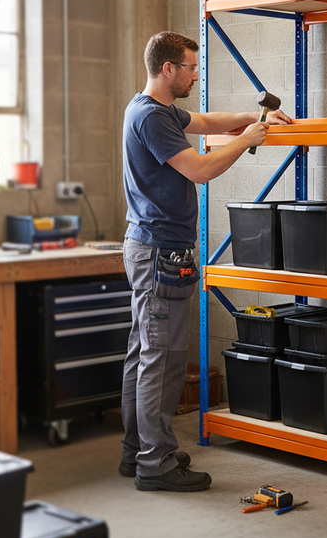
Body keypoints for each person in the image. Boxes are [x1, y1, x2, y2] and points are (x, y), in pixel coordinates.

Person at [120, 31, 293, 492]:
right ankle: (154, 464)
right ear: (167, 70)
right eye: (191, 68)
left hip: (150, 246)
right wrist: (247, 139)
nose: (196, 74)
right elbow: (199, 169)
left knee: (144, 353)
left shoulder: (154, 108)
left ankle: (138, 448)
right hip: (161, 251)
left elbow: (203, 121)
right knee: (163, 357)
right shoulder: (152, 118)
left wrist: (253, 118)